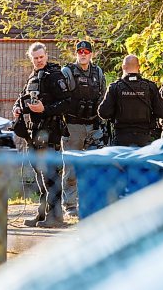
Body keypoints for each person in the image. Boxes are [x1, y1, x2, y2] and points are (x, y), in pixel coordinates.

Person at [12, 42, 70, 228]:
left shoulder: (55, 75)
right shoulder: (33, 76)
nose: (38, 60)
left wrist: (45, 109)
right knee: (39, 174)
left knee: (50, 174)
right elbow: (23, 97)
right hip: (34, 132)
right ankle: (42, 213)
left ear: (46, 55)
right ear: (31, 58)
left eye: (41, 57)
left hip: (50, 131)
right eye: (35, 58)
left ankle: (56, 216)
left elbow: (67, 103)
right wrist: (17, 108)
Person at [60, 40, 106, 217]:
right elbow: (61, 97)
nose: (83, 53)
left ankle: (92, 202)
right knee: (71, 168)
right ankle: (70, 205)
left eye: (86, 51)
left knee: (94, 165)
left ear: (91, 54)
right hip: (73, 126)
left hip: (93, 125)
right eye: (80, 51)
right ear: (76, 54)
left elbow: (102, 95)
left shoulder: (98, 72)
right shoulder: (68, 71)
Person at [98, 55, 163, 147]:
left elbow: (103, 113)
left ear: (123, 67)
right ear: (139, 67)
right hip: (144, 140)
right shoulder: (150, 87)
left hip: (121, 140)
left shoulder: (114, 87)